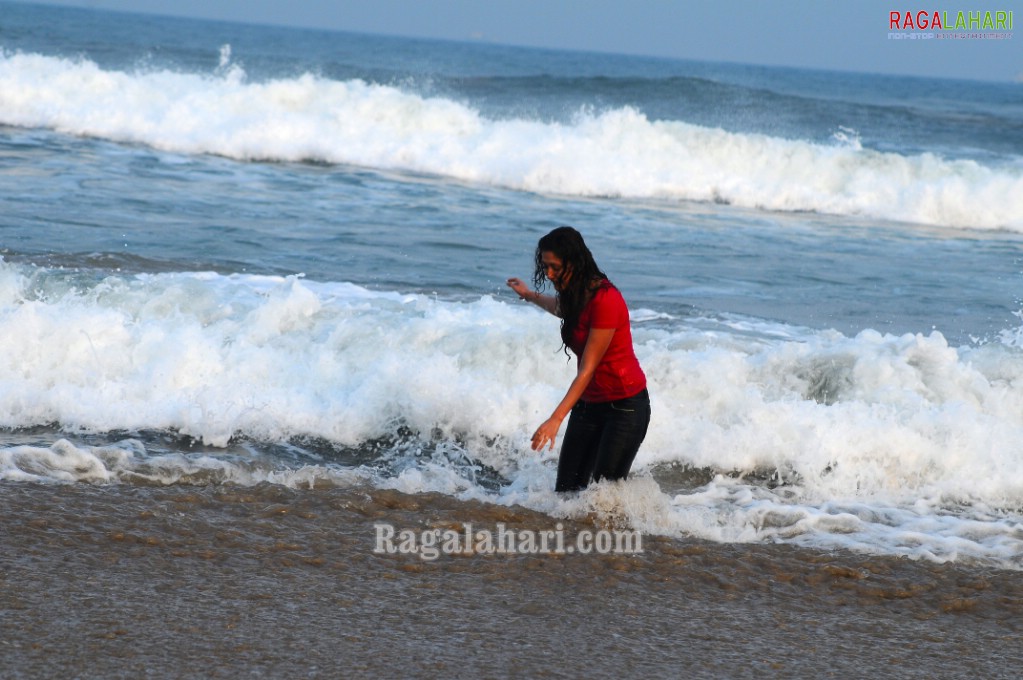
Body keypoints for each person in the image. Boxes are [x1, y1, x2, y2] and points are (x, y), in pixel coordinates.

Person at [506, 226, 650, 492]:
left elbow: (587, 369)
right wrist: (528, 295)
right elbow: (561, 308)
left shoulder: (606, 299)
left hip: (625, 408)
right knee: (567, 492)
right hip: (590, 404)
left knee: (602, 498)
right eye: (545, 266)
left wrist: (555, 419)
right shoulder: (577, 292)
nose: (549, 274)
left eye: (555, 267)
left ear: (575, 262)